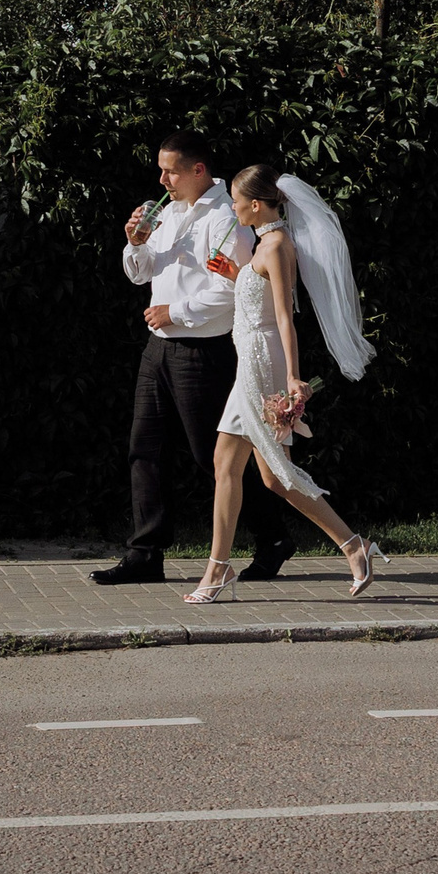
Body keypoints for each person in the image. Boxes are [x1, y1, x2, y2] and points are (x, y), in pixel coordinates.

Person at [89, 132, 297, 587]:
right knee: (144, 449)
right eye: (161, 170)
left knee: (214, 457)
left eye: (171, 171)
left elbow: (237, 291)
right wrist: (135, 243)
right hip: (158, 348)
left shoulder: (228, 216)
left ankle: (274, 537)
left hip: (204, 351)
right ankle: (145, 554)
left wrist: (175, 311)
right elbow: (139, 274)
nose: (163, 179)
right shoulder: (167, 212)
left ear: (198, 170)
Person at [184, 163, 384, 604]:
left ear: (255, 205)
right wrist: (235, 276)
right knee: (239, 467)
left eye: (236, 201)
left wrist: (292, 376)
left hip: (262, 366)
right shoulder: (263, 245)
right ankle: (223, 566)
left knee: (271, 474)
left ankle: (351, 546)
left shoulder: (275, 245)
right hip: (250, 363)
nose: (233, 207)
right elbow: (259, 297)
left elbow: (283, 318)